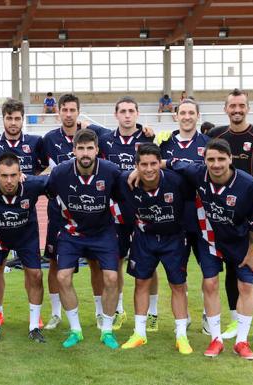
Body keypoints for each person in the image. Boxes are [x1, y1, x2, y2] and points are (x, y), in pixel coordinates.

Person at [163, 139, 253, 359]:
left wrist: (251, 253)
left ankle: (242, 342)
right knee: (210, 284)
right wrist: (139, 170)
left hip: (241, 242)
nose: (216, 164)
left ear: (230, 159)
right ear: (205, 160)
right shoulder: (198, 173)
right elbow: (172, 162)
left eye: (221, 159)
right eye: (211, 159)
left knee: (246, 287)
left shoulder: (247, 185)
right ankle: (216, 339)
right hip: (210, 239)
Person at [207, 89, 253, 344]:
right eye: (232, 106)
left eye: (241, 106)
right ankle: (233, 320)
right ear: (225, 108)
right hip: (226, 213)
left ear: (247, 108)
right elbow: (194, 153)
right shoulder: (215, 135)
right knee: (232, 268)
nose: (237, 110)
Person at [41, 93, 112, 331]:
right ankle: (55, 313)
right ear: (58, 112)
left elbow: (125, 133)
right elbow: (42, 172)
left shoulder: (98, 134)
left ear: (78, 111)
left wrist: (146, 129)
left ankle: (101, 313)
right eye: (65, 110)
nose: (69, 114)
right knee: (54, 264)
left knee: (96, 265)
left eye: (73, 110)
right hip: (60, 216)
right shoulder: (49, 139)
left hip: (93, 215)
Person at [47, 128, 122, 349]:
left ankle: (107, 330)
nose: (86, 153)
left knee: (111, 278)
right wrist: (61, 227)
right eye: (81, 149)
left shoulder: (111, 171)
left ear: (97, 150)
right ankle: (75, 330)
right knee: (62, 277)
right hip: (72, 234)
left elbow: (125, 193)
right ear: (74, 150)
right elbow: (50, 196)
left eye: (90, 148)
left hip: (103, 233)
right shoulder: (60, 173)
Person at [117, 143, 192, 354]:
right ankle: (139, 333)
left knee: (178, 285)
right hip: (144, 238)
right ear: (136, 166)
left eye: (153, 164)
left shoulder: (176, 181)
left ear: (160, 163)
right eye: (143, 165)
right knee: (141, 283)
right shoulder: (127, 182)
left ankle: (181, 336)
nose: (149, 169)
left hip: (174, 239)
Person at [0, 153, 47, 344]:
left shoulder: (32, 185)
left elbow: (59, 180)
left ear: (21, 174)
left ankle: (34, 326)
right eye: (4, 175)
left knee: (36, 275)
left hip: (26, 237)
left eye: (13, 175)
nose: (9, 180)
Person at [98, 96, 155, 332]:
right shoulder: (105, 141)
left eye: (132, 110)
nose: (127, 115)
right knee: (117, 261)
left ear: (138, 114)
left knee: (150, 263)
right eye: (123, 111)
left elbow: (155, 168)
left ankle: (153, 313)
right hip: (116, 210)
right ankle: (119, 309)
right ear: (116, 115)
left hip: (145, 208)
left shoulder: (148, 138)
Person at [159, 99, 211, 334]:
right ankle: (185, 315)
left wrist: (173, 163)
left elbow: (205, 173)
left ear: (198, 116)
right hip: (174, 218)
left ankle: (208, 316)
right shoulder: (164, 142)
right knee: (177, 272)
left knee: (209, 272)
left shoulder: (208, 144)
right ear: (176, 116)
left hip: (203, 217)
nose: (187, 116)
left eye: (191, 112)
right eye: (183, 112)